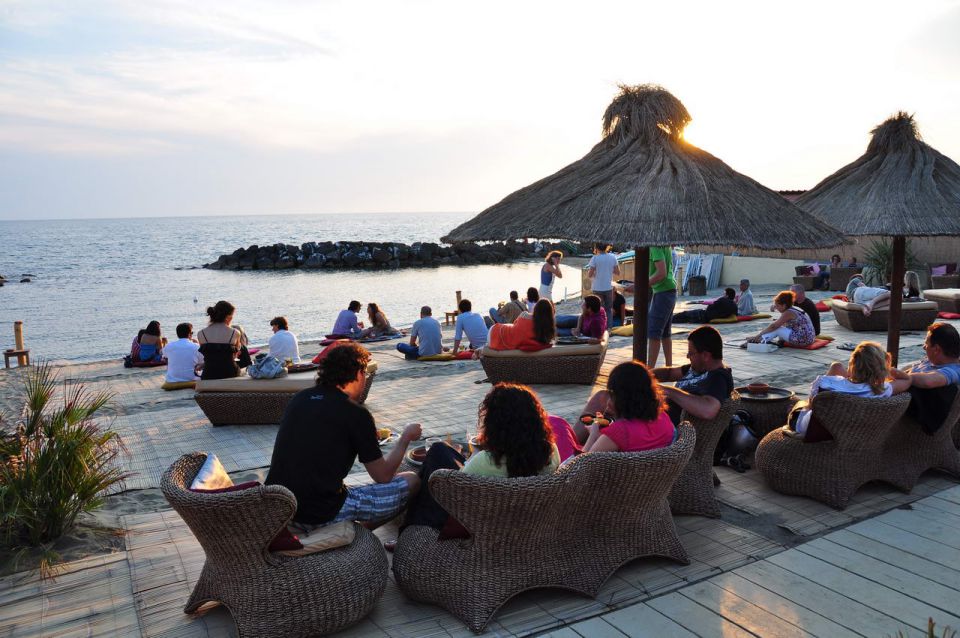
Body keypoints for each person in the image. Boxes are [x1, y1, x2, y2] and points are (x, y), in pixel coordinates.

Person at [265, 342, 421, 529]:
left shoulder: (299, 399)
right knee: (411, 480)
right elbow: (383, 476)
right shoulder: (356, 413)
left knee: (346, 488)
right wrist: (405, 438)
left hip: (278, 505)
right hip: (319, 513)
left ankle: (348, 529)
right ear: (359, 374)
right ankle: (358, 532)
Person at [399, 383, 560, 533]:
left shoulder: (485, 461)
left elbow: (454, 490)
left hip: (475, 522)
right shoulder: (551, 452)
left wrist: (472, 456)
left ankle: (409, 527)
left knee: (435, 455)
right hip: (524, 519)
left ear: (496, 424)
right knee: (441, 449)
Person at [790, 341, 911, 439]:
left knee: (800, 404)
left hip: (817, 432)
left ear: (852, 363)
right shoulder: (882, 390)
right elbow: (907, 380)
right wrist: (884, 371)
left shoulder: (825, 383)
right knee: (836, 367)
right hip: (852, 434)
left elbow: (812, 406)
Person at [578, 361, 675, 453]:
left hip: (593, 467)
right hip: (654, 469)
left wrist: (593, 434)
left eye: (612, 392)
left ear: (620, 397)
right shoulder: (663, 418)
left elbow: (582, 465)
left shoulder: (619, 432)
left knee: (563, 426)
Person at [654, 326, 734, 425]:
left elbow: (708, 411)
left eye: (691, 353)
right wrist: (643, 375)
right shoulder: (698, 368)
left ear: (705, 356)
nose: (687, 356)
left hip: (667, 429)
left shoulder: (718, 378)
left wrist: (668, 391)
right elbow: (669, 373)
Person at [891, 323, 960, 389]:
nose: (924, 347)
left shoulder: (954, 371)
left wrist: (905, 377)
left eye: (926, 344)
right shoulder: (932, 361)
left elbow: (929, 382)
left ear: (936, 349)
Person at [748, 290, 816, 347]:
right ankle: (761, 339)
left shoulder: (788, 313)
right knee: (780, 326)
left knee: (777, 328)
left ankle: (757, 340)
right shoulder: (794, 308)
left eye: (777, 306)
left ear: (784, 305)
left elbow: (773, 326)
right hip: (809, 337)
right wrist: (775, 306)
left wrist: (759, 334)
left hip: (804, 340)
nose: (776, 308)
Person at [197, 301, 245, 380]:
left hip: (209, 374)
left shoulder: (201, 333)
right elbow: (235, 356)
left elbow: (208, 356)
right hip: (230, 373)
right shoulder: (235, 333)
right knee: (244, 371)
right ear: (228, 317)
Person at [488, 298, 556, 351]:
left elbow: (515, 324)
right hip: (498, 333)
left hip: (496, 333)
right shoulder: (546, 332)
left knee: (491, 311)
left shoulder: (525, 315)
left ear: (536, 309)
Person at [161, 323, 203, 387]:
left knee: (167, 358)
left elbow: (165, 358)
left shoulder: (169, 346)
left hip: (172, 380)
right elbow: (202, 361)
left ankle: (175, 373)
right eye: (192, 333)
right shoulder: (196, 346)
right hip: (192, 379)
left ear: (178, 334)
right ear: (189, 334)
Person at [587, 244, 620, 319]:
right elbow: (617, 272)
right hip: (608, 287)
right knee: (608, 310)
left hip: (597, 287)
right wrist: (608, 270)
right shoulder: (613, 257)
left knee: (599, 310)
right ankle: (609, 328)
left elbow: (590, 274)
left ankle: (601, 327)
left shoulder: (595, 258)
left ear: (596, 248)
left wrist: (596, 272)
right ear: (607, 247)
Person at [672, 288, 738, 324]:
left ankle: (669, 320)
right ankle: (670, 320)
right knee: (685, 319)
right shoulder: (734, 306)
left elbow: (710, 307)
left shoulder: (723, 300)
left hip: (703, 315)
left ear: (727, 295)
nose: (723, 295)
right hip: (706, 318)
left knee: (684, 314)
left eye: (724, 294)